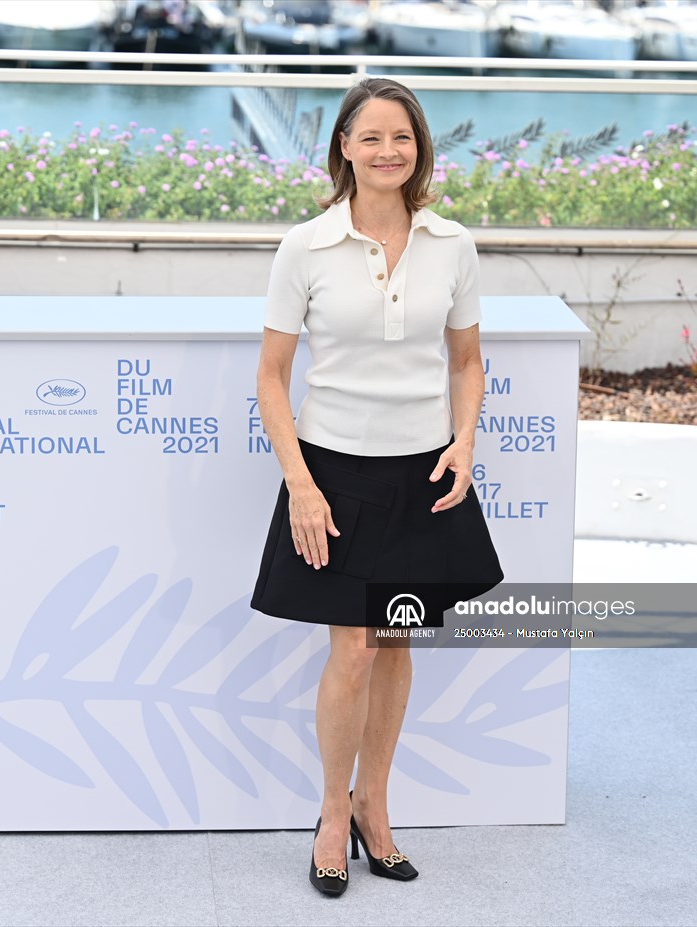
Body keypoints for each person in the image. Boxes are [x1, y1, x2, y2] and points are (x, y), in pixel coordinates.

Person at [250, 77, 504, 897]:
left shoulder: (451, 244)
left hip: (423, 471)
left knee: (394, 642)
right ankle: (331, 811)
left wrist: (465, 441)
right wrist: (301, 483)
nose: (388, 150)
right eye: (371, 138)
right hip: (334, 472)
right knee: (353, 648)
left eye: (403, 137)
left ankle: (375, 806)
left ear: (419, 149)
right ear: (345, 150)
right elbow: (272, 378)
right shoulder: (306, 246)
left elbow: (465, 362)